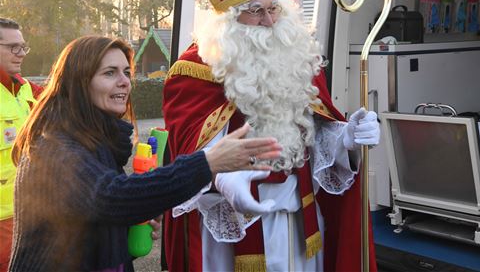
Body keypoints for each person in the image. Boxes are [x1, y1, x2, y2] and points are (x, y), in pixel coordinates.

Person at [162, 0, 380, 272]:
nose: (269, 22)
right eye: (256, 12)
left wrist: (346, 139)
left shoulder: (294, 56)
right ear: (228, 21)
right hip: (232, 232)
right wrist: (221, 181)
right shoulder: (193, 72)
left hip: (300, 226)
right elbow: (186, 161)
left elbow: (316, 136)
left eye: (273, 8)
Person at [8, 35, 282, 272]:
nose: (125, 82)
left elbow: (88, 218)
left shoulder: (96, 141)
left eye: (127, 72)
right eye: (110, 73)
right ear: (79, 83)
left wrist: (125, 232)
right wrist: (207, 162)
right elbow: (110, 196)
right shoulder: (53, 144)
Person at [0, 18, 42, 272]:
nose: (21, 54)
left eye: (23, 47)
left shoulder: (27, 89)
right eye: (13, 47)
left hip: (29, 214)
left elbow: (69, 99)